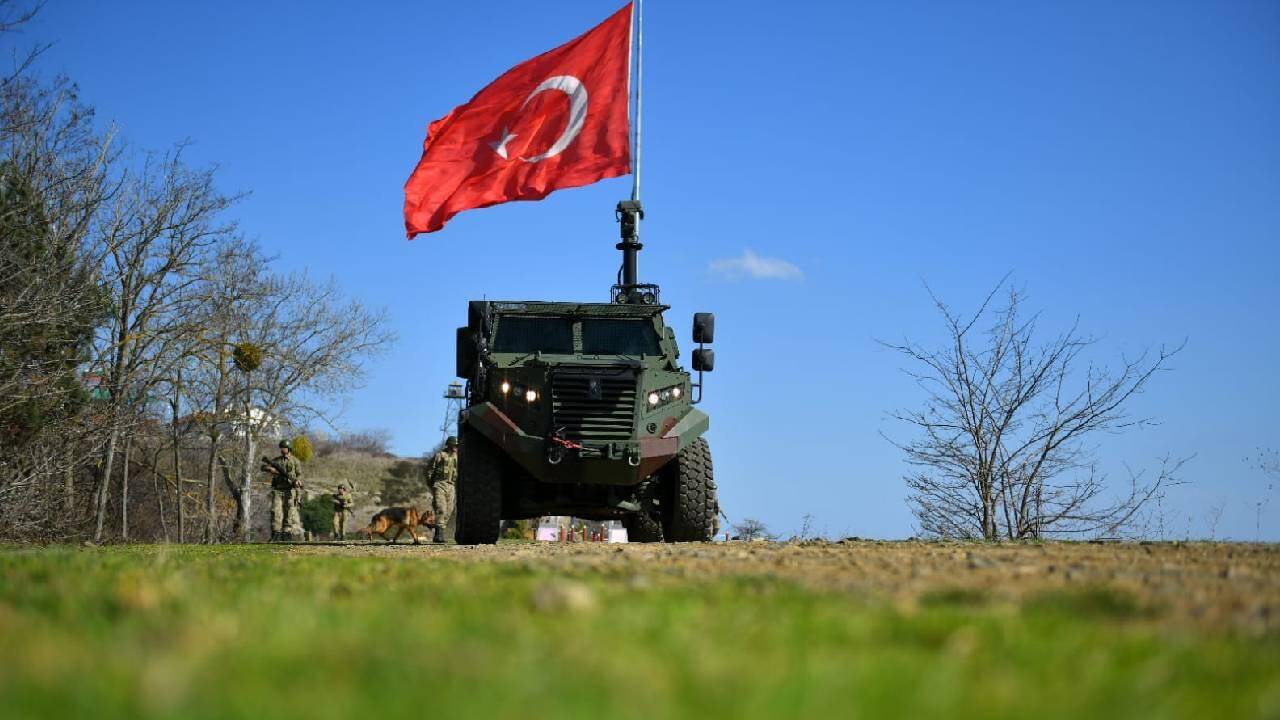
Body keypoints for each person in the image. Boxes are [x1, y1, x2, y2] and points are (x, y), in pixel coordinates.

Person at [264, 439, 304, 541]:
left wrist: (298, 481)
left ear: (289, 448)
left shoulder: (295, 461)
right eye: (281, 448)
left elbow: (299, 475)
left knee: (289, 511)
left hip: (290, 490)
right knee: (275, 511)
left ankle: (286, 532)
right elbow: (264, 467)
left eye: (284, 448)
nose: (282, 449)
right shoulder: (276, 461)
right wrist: (270, 469)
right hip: (278, 490)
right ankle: (276, 533)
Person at [425, 436, 458, 543]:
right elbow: (429, 470)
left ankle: (440, 532)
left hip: (451, 486)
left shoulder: (457, 457)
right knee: (441, 508)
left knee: (449, 510)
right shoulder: (439, 455)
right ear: (449, 445)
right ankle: (439, 535)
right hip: (440, 484)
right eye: (454, 445)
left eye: (457, 445)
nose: (456, 447)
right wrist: (431, 484)